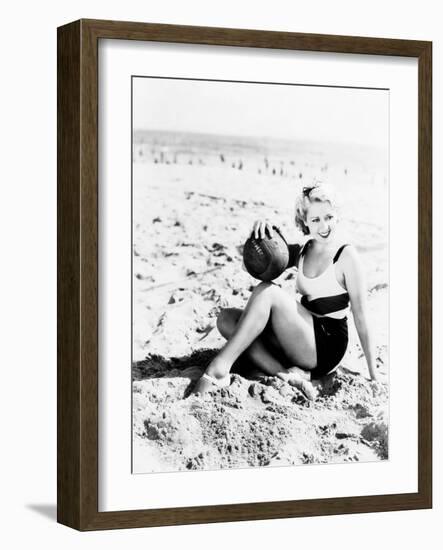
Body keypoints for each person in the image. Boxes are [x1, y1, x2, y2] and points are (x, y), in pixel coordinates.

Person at [192, 183, 379, 399]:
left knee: (268, 292)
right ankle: (287, 375)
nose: (324, 225)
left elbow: (361, 318)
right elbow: (255, 266)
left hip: (327, 345)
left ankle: (218, 369)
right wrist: (260, 234)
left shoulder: (346, 256)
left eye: (328, 217)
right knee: (226, 319)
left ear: (336, 216)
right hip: (297, 337)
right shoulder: (302, 253)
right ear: (305, 223)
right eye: (316, 220)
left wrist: (374, 375)